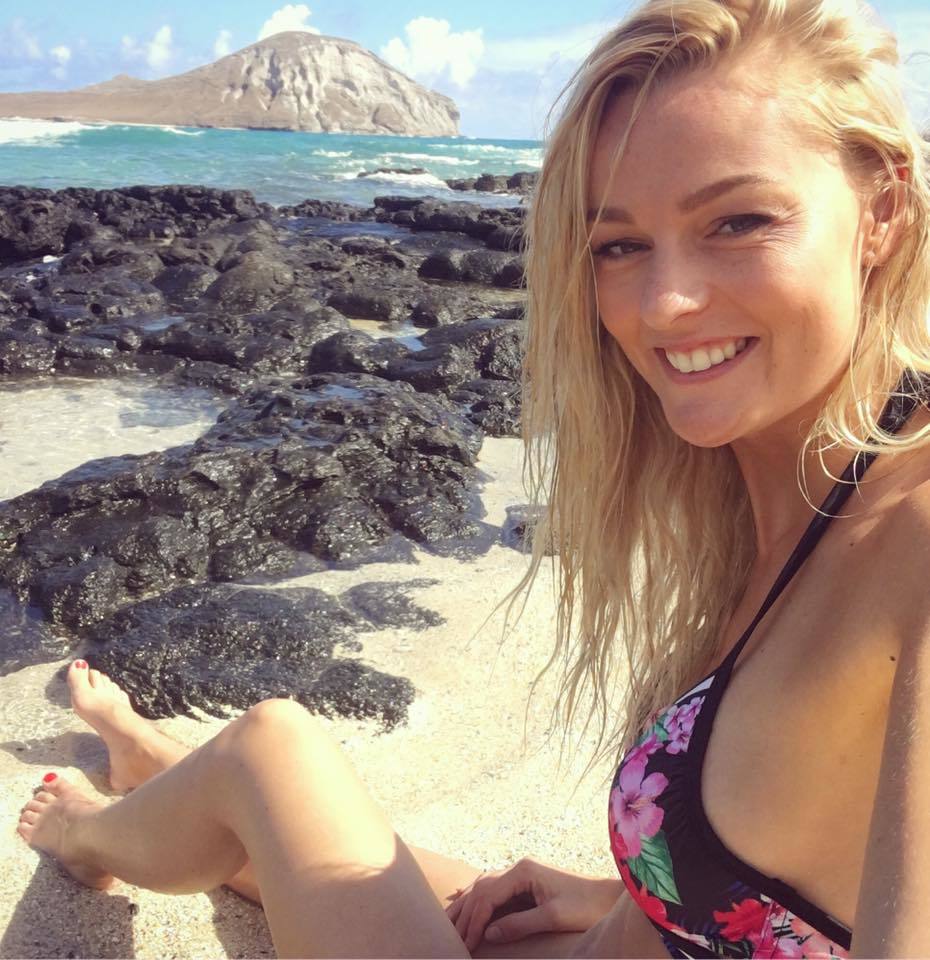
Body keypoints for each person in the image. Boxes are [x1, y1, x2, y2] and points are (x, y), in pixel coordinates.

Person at [16, 0, 930, 954]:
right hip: (614, 937)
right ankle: (159, 767)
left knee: (269, 751)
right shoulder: (824, 486)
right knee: (326, 841)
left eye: (739, 220)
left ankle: (88, 835)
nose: (664, 303)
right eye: (618, 244)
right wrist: (627, 896)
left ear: (882, 211)